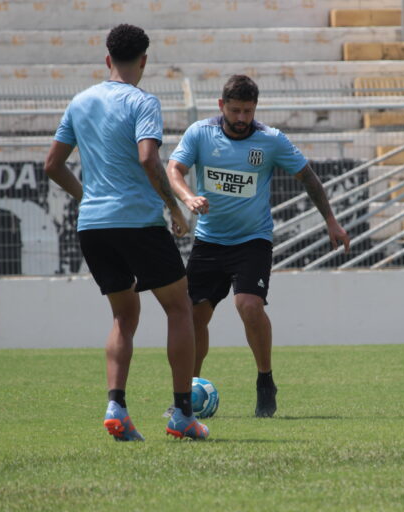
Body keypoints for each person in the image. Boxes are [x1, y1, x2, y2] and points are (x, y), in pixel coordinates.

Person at [44, 24, 208, 440]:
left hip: (94, 226)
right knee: (179, 308)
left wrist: (87, 196)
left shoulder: (80, 102)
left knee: (123, 315)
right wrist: (173, 206)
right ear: (144, 61)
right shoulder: (143, 101)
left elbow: (52, 166)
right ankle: (183, 414)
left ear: (107, 59)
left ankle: (116, 406)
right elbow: (148, 157)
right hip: (137, 221)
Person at [166, 74, 350, 418]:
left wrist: (331, 221)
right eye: (235, 110)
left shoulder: (271, 140)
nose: (241, 118)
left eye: (247, 111)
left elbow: (308, 176)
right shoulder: (200, 133)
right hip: (209, 241)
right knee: (194, 316)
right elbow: (174, 169)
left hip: (253, 240)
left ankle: (265, 381)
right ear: (221, 106)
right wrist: (188, 197)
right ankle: (187, 392)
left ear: (255, 109)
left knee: (249, 306)